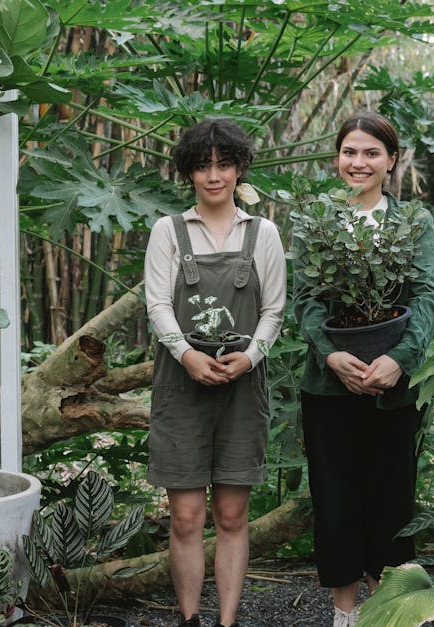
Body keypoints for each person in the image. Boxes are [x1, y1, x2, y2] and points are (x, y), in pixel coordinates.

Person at [294, 112, 434, 627]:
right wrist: (330, 355)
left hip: (392, 390)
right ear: (337, 157)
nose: (359, 162)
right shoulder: (317, 219)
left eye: (372, 153)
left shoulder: (413, 222)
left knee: (390, 500)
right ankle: (344, 614)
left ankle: (385, 611)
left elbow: (427, 296)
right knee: (334, 501)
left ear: (392, 160)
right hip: (329, 388)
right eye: (350, 152)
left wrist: (400, 360)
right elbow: (305, 298)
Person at [144, 118, 286, 627]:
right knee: (186, 518)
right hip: (181, 386)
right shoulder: (168, 231)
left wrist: (251, 357)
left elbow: (274, 310)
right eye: (203, 166)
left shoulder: (262, 232)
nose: (213, 176)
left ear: (238, 169)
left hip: (241, 388)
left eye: (224, 165)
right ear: (188, 172)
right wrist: (186, 354)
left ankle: (227, 621)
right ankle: (189, 619)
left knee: (231, 515)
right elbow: (158, 305)